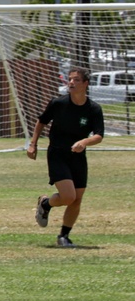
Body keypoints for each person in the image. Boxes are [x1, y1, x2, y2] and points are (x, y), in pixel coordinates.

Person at [27, 67, 104, 247]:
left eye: (76, 80)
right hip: (57, 154)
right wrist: (33, 144)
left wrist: (84, 142)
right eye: (70, 79)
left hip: (78, 156)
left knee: (77, 199)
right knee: (68, 197)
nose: (71, 83)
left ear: (85, 84)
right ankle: (46, 203)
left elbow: (99, 135)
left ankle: (64, 236)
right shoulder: (58, 103)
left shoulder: (93, 109)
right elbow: (42, 121)